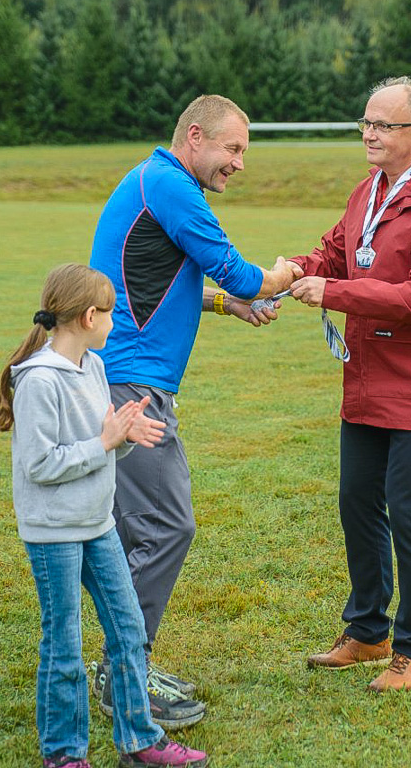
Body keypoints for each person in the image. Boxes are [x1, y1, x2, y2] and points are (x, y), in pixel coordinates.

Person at [90, 94, 301, 725]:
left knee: (133, 530)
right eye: (233, 148)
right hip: (133, 388)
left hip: (125, 380)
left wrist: (221, 306)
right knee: (165, 526)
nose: (239, 163)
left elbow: (152, 279)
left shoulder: (155, 181)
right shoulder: (174, 187)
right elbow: (242, 273)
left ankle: (122, 660)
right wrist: (285, 275)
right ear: (196, 135)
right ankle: (124, 673)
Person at [288, 76, 411, 692]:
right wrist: (289, 272)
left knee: (409, 511)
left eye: (384, 125)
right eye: (365, 123)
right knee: (357, 501)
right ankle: (369, 632)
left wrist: (333, 291)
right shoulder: (368, 190)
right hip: (367, 376)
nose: (369, 134)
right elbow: (336, 252)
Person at [0, 263, 208, 768]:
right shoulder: (40, 382)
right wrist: (105, 441)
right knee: (64, 645)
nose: (117, 323)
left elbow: (99, 448)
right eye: (113, 314)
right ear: (90, 317)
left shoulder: (93, 367)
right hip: (55, 533)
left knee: (129, 630)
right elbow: (43, 465)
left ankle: (140, 740)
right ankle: (65, 754)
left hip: (97, 524)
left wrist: (123, 440)